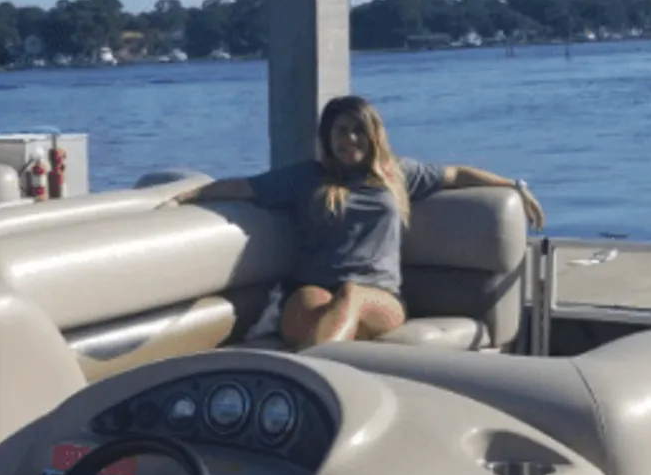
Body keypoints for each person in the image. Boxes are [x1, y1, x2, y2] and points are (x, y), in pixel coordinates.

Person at [174, 95, 544, 348]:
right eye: (340, 131)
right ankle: (327, 363)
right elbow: (245, 187)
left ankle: (315, 374)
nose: (349, 139)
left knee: (351, 295)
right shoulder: (307, 177)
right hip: (311, 287)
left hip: (381, 297)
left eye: (356, 130)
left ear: (372, 134)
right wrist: (187, 196)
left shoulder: (398, 175)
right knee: (313, 298)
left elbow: (457, 174)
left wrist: (514, 186)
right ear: (327, 137)